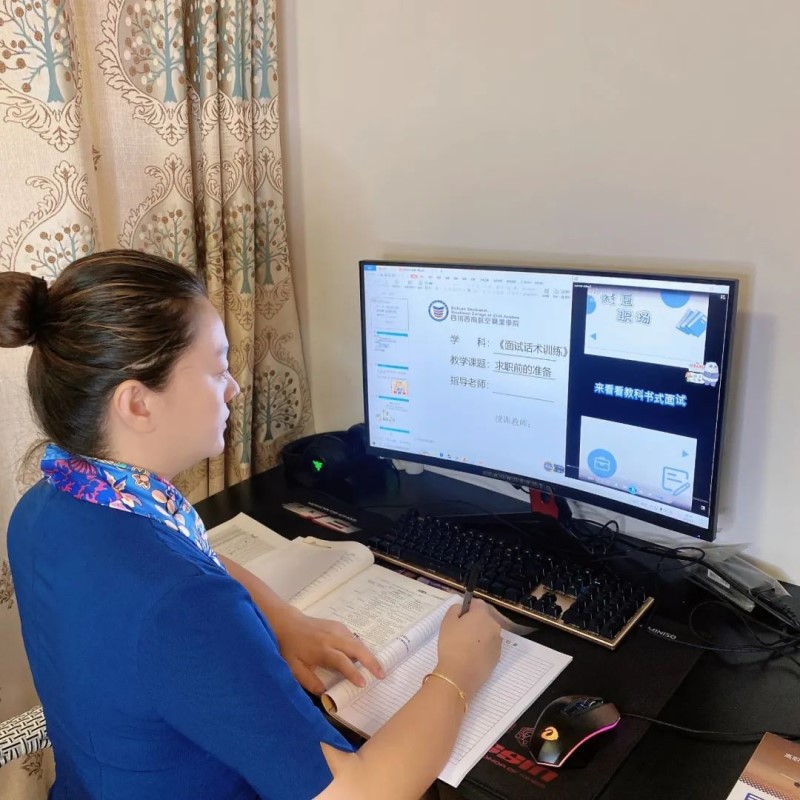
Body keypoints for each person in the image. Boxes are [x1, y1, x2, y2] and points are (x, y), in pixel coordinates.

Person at [1, 250, 502, 800]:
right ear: (138, 404)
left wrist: (284, 621)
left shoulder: (45, 507)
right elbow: (357, 793)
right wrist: (459, 671)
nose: (234, 389)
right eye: (217, 369)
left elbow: (189, 558)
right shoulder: (182, 605)